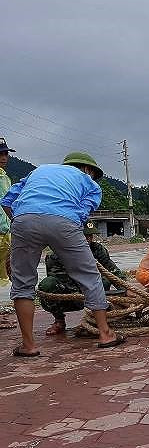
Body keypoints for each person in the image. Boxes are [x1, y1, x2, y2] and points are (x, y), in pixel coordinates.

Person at [1, 151, 124, 356]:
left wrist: (22, 223)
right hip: (64, 220)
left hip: (23, 219)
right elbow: (82, 213)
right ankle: (106, 334)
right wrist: (64, 226)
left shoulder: (38, 171)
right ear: (88, 169)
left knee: (23, 284)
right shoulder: (90, 182)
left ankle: (29, 346)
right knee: (90, 277)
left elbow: (7, 201)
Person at [39, 221, 127, 335]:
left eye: (90, 236)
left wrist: (126, 288)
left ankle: (101, 319)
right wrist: (79, 293)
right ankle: (59, 320)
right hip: (69, 294)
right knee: (47, 284)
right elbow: (58, 277)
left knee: (105, 279)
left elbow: (112, 270)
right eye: (84, 236)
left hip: (93, 291)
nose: (88, 239)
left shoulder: (97, 249)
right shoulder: (56, 254)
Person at [0, 137, 14, 288]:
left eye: (5, 154)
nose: (4, 157)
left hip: (5, 234)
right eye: (0, 154)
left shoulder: (5, 178)